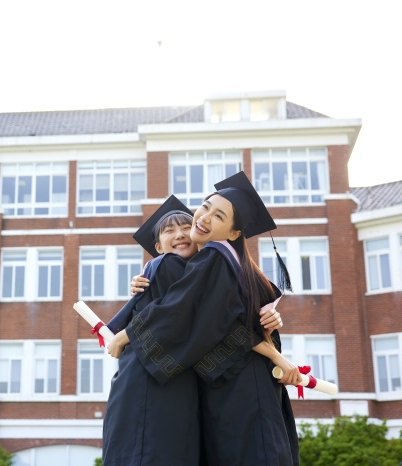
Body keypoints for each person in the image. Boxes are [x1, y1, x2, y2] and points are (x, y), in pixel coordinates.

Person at [109, 171, 300, 465]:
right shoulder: (222, 263)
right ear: (157, 247)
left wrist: (127, 334)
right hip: (236, 386)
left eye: (218, 215)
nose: (202, 218)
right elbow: (217, 319)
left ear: (234, 232)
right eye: (205, 206)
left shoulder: (213, 259)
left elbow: (184, 312)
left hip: (240, 387)